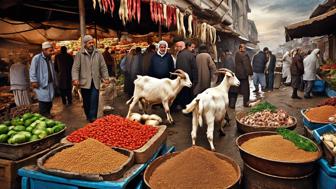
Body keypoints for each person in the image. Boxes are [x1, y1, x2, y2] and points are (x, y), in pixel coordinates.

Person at [72, 35, 109, 122]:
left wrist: (106, 77)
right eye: (90, 43)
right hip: (84, 82)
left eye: (92, 42)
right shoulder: (79, 54)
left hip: (95, 81)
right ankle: (88, 116)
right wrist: (75, 78)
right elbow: (75, 68)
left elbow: (103, 66)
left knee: (94, 99)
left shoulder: (98, 53)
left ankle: (93, 118)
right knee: (86, 101)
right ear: (85, 44)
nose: (92, 44)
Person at [30, 42, 57, 117]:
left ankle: (47, 113)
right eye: (50, 51)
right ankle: (44, 115)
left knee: (50, 100)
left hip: (50, 83)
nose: (52, 52)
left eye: (52, 50)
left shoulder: (49, 59)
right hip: (41, 83)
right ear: (44, 50)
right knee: (43, 100)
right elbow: (32, 70)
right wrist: (34, 81)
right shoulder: (36, 58)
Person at [175, 41, 198, 108]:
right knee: (188, 93)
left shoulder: (180, 54)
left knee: (183, 92)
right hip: (188, 78)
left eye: (177, 46)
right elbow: (194, 68)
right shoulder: (190, 55)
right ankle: (187, 107)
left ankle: (183, 106)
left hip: (182, 78)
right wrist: (195, 80)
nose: (176, 48)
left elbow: (178, 66)